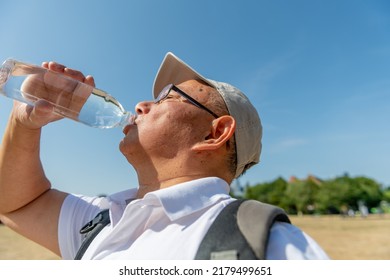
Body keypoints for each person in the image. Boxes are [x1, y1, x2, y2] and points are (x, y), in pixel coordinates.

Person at [0, 52, 329, 260]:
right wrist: (24, 123)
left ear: (215, 134)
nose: (142, 105)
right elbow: (14, 204)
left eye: (169, 98)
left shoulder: (265, 245)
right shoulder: (102, 219)